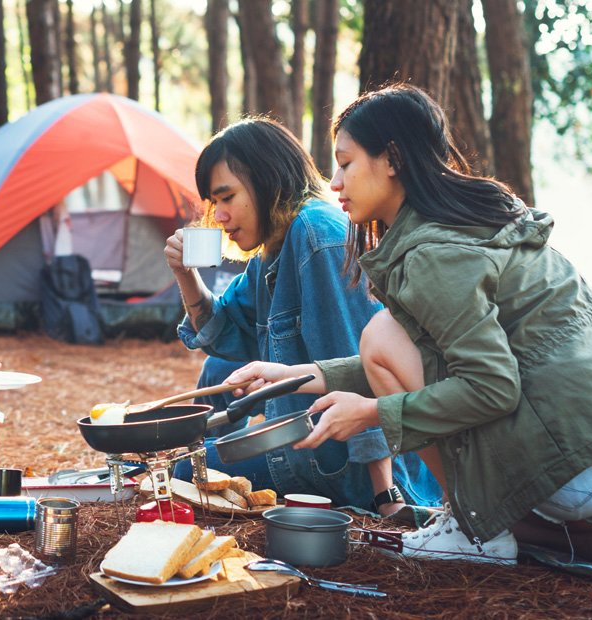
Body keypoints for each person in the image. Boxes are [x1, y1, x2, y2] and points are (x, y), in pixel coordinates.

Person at [229, 84, 592, 566]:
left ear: (391, 159)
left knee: (382, 334)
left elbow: (492, 388)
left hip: (581, 471)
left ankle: (474, 533)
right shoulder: (473, 219)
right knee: (387, 338)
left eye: (345, 163)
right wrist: (297, 376)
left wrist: (370, 414)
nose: (335, 181)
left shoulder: (433, 253)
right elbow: (431, 360)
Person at [165, 118, 440, 516]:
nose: (220, 216)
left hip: (343, 464)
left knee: (179, 474)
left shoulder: (316, 236)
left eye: (228, 197)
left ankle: (191, 460)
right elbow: (222, 332)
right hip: (308, 442)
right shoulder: (273, 249)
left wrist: (385, 498)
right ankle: (198, 453)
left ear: (267, 180)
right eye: (214, 203)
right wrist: (186, 275)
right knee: (216, 369)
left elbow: (363, 365)